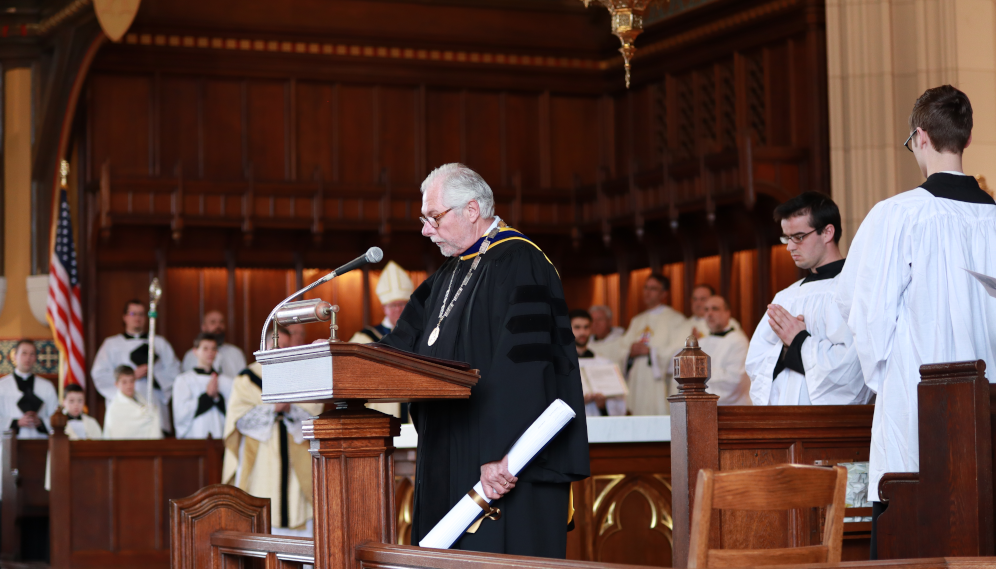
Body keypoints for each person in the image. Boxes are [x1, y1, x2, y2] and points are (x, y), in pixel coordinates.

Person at [378, 163, 589, 558]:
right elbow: (398, 346)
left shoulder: (521, 262)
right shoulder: (446, 275)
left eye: (433, 217)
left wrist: (501, 453)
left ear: (471, 210)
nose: (425, 230)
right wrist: (339, 359)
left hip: (499, 465)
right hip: (448, 452)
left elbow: (525, 370)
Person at [835, 85, 996, 554]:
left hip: (918, 402)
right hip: (987, 408)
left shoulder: (897, 215)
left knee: (915, 533)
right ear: (966, 141)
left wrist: (891, 380)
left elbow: (861, 308)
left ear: (920, 137)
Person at [746, 192, 872, 407]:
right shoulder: (786, 297)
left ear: (827, 232)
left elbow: (853, 369)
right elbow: (757, 366)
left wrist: (798, 341)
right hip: (784, 421)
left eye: (799, 236)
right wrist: (787, 350)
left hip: (831, 426)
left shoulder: (855, 290)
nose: (790, 247)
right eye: (787, 238)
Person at [223, 326, 323, 537]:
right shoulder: (247, 377)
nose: (281, 350)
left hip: (295, 449)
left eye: (286, 346)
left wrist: (291, 408)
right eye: (276, 346)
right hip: (261, 452)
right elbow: (238, 417)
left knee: (298, 503)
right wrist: (272, 409)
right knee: (261, 495)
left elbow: (314, 410)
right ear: (265, 346)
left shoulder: (301, 375)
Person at [91, 299, 180, 433]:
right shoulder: (111, 344)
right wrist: (130, 376)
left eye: (141, 314)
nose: (137, 318)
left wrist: (155, 377)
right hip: (124, 413)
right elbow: (99, 375)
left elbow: (175, 372)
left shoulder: (159, 343)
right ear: (125, 317)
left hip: (153, 404)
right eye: (133, 314)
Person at [349, 260, 414, 419]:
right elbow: (351, 375)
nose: (398, 309)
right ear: (383, 307)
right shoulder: (365, 338)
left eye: (402, 304)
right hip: (382, 408)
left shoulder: (420, 334)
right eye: (393, 305)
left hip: (415, 405)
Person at [619, 274, 691, 416]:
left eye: (653, 288)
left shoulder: (675, 319)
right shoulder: (637, 320)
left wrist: (650, 352)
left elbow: (677, 351)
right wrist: (630, 352)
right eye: (646, 288)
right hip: (637, 381)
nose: (647, 292)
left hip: (657, 381)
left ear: (664, 293)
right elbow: (622, 349)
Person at [173, 334, 234, 439]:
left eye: (213, 349)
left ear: (217, 352)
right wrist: (207, 396)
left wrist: (217, 398)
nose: (210, 352)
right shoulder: (184, 380)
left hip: (220, 436)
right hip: (195, 436)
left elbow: (233, 412)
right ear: (195, 351)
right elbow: (181, 414)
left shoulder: (226, 381)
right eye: (205, 349)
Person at [570, 309, 626, 417]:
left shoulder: (605, 363)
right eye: (577, 327)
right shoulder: (560, 365)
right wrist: (578, 403)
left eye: (586, 327)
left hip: (601, 425)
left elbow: (620, 404)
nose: (582, 332)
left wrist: (603, 405)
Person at [696, 296, 751, 405]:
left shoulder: (738, 341)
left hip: (733, 411)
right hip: (704, 409)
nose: (709, 314)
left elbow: (734, 381)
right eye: (706, 309)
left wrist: (699, 375)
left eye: (715, 309)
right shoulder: (701, 343)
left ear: (727, 313)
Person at [0, 340, 59, 438]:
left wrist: (41, 422)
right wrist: (16, 422)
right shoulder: (2, 386)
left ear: (36, 358)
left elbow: (55, 417)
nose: (28, 358)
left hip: (39, 443)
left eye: (32, 354)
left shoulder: (46, 386)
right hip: (10, 443)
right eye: (24, 353)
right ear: (15, 356)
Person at [103, 365, 163, 440]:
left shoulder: (141, 399)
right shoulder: (115, 408)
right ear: (117, 384)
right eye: (124, 382)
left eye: (131, 381)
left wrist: (152, 413)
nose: (129, 385)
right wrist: (148, 416)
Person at [181, 310, 246, 377]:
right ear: (204, 327)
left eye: (221, 322)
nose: (218, 326)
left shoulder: (235, 352)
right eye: (213, 322)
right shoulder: (191, 355)